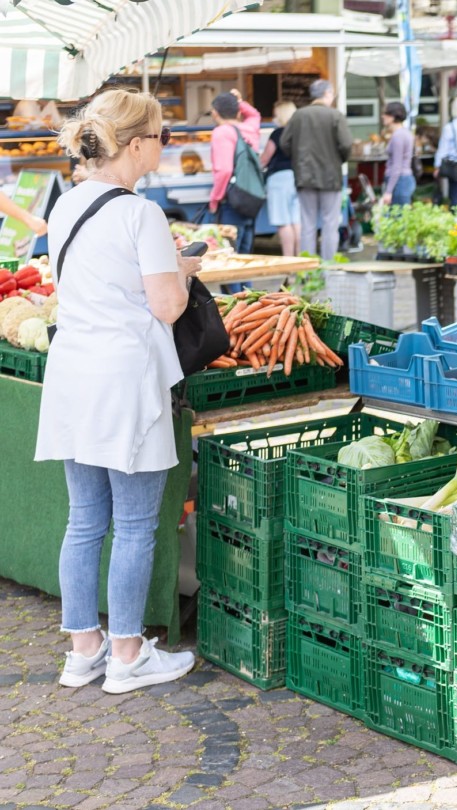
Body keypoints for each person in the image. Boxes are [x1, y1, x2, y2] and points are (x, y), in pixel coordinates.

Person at [39, 89, 200, 694]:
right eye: (161, 135)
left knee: (85, 520)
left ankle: (85, 650)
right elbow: (165, 306)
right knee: (133, 525)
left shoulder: (66, 206)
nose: (165, 145)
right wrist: (181, 275)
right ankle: (129, 654)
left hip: (74, 372)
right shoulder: (140, 214)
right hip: (126, 379)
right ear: (136, 144)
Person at [281, 80, 353, 261]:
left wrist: (296, 159)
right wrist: (338, 160)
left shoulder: (298, 115)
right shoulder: (336, 116)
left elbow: (284, 143)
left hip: (304, 177)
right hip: (331, 178)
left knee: (307, 225)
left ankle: (308, 271)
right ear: (327, 93)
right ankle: (329, 268)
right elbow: (346, 145)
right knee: (330, 225)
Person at [207, 90, 261, 255]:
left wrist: (215, 199)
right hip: (252, 198)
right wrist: (240, 100)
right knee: (245, 256)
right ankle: (246, 283)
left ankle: (238, 283)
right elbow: (254, 114)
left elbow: (224, 171)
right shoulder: (250, 129)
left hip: (232, 201)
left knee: (230, 256)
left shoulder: (222, 132)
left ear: (215, 113)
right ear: (238, 112)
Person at [260, 101, 300, 257]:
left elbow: (264, 159)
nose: (274, 117)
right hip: (298, 178)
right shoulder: (300, 133)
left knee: (284, 223)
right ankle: (301, 262)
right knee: (297, 221)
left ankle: (288, 261)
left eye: (276, 114)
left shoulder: (278, 133)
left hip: (279, 180)